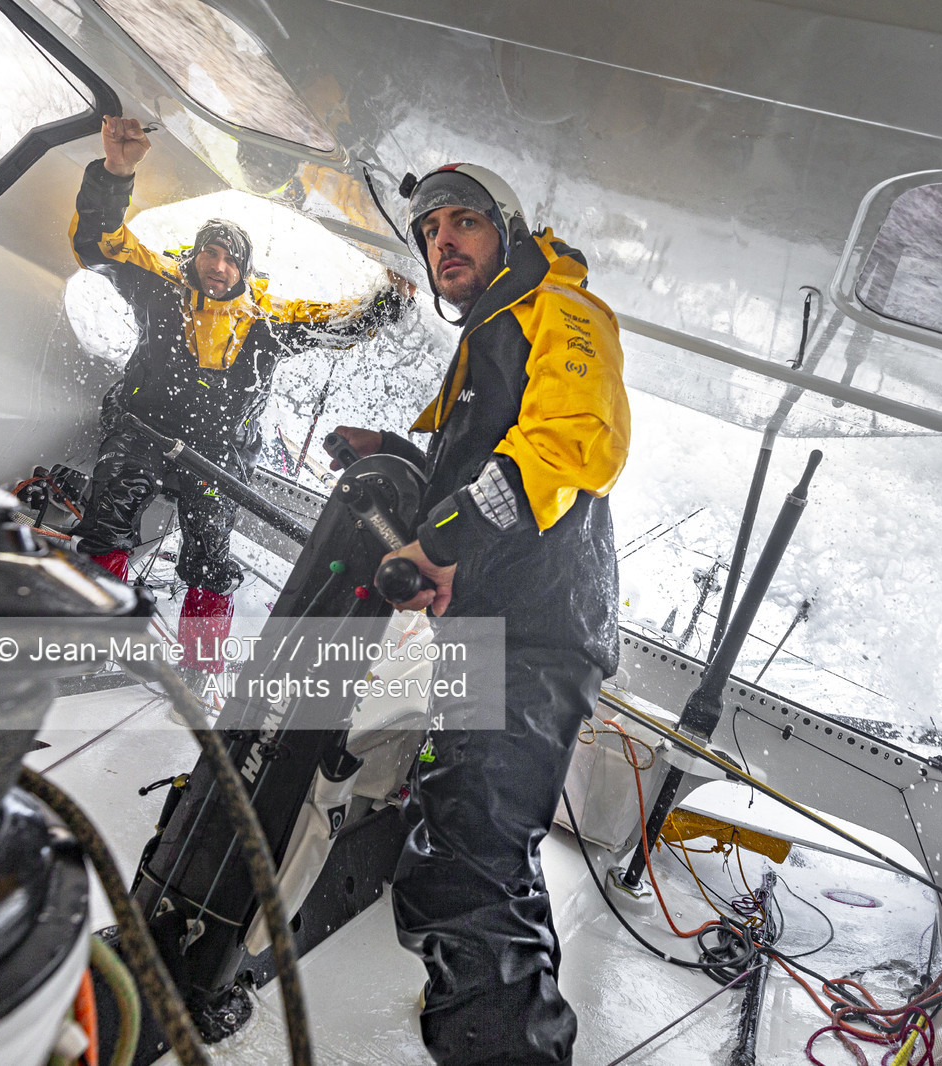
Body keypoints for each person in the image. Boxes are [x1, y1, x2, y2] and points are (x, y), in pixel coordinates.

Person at [328, 164, 630, 1065]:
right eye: (429, 232)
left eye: (465, 221)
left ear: (508, 231)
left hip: (533, 630)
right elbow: (480, 458)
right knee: (469, 837)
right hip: (487, 629)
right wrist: (395, 451)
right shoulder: (494, 335)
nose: (443, 240)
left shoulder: (562, 312)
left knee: (466, 858)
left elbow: (571, 444)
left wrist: (442, 541)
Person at [68, 116, 409, 690]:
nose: (217, 265)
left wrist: (395, 291)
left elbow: (345, 323)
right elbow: (96, 242)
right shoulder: (159, 285)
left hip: (218, 458)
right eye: (210, 253)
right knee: (106, 522)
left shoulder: (269, 324)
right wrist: (118, 170)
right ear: (196, 256)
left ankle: (201, 665)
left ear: (243, 269)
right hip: (142, 432)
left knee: (210, 554)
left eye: (229, 258)